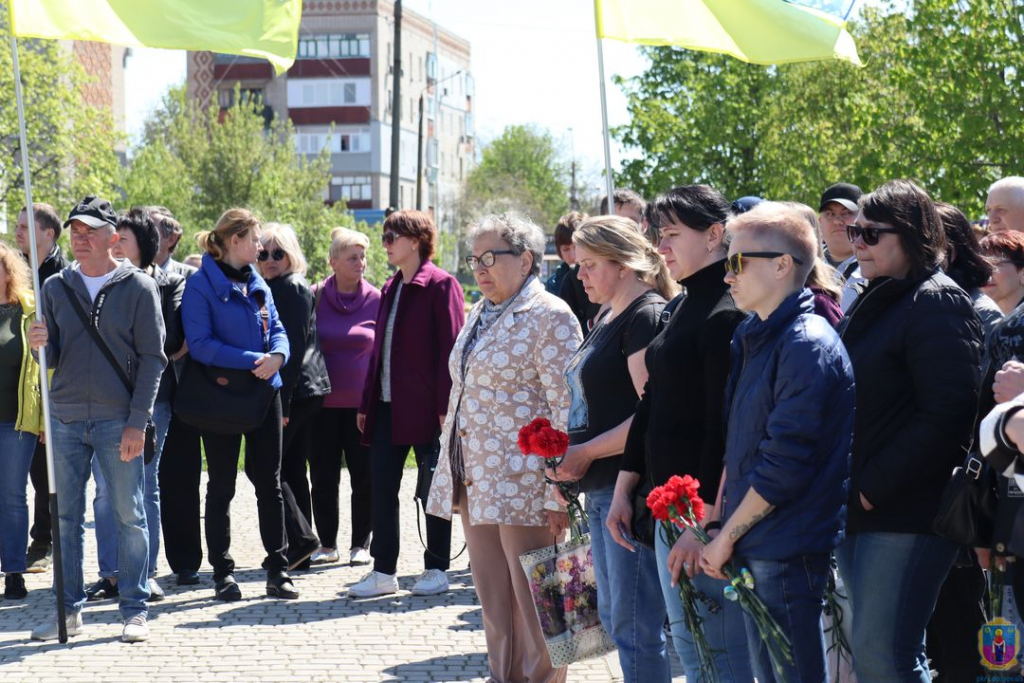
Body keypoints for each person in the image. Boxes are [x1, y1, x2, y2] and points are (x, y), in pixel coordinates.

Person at [697, 202, 855, 683]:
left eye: (737, 262)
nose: (727, 276)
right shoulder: (755, 333)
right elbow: (740, 444)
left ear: (783, 265)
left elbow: (784, 465)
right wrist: (722, 521)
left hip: (785, 545)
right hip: (758, 541)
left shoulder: (806, 344)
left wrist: (727, 535)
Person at [835, 180, 983, 683]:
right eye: (854, 232)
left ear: (914, 235)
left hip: (908, 510)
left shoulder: (937, 300)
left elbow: (949, 413)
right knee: (879, 654)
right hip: (864, 506)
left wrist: (875, 487)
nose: (856, 243)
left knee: (886, 656)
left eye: (870, 234)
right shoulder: (876, 297)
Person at [426, 212, 582, 683]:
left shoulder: (551, 315)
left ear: (527, 259)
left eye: (492, 257)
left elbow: (568, 409)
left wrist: (560, 494)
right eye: (475, 259)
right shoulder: (478, 312)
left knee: (543, 606)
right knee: (495, 605)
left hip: (529, 486)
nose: (480, 268)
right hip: (477, 480)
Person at [608, 184, 753, 682]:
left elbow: (723, 426)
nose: (660, 248)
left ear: (715, 234)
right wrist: (626, 487)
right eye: (657, 235)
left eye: (670, 234)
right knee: (691, 652)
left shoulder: (728, 312)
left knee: (719, 655)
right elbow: (652, 404)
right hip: (668, 505)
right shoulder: (682, 305)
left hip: (703, 514)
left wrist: (702, 522)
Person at [28, 196, 167, 642]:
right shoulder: (54, 288)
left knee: (129, 515)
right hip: (66, 418)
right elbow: (54, 358)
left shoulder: (140, 288)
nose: (81, 238)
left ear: (113, 238)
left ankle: (134, 609)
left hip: (117, 420)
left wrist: (136, 423)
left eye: (90, 231)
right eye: (75, 231)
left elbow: (153, 360)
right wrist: (38, 343)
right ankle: (67, 612)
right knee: (65, 518)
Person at [547, 215, 678, 681]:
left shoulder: (645, 317)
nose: (579, 276)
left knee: (634, 623)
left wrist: (585, 453)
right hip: (601, 485)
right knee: (616, 617)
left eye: (589, 265)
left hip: (631, 490)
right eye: (578, 265)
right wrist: (567, 461)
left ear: (624, 265)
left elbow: (651, 413)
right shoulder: (607, 316)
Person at [181, 208, 298, 602]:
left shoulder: (257, 281)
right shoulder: (201, 285)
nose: (262, 247)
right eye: (255, 239)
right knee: (221, 485)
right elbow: (200, 345)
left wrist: (277, 358)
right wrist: (254, 360)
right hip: (222, 396)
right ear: (235, 241)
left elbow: (278, 330)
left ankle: (278, 569)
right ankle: (222, 573)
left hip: (267, 392)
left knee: (270, 482)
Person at [350, 210, 465, 598]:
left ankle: (436, 568)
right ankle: (383, 571)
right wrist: (367, 402)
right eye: (384, 236)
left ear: (415, 240)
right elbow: (378, 352)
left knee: (433, 487)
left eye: (391, 236)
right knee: (381, 486)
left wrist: (445, 408)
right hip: (385, 407)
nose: (385, 243)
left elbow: (450, 350)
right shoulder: (390, 286)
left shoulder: (441, 285)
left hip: (428, 410)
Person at [85, 209, 185, 604]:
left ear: (143, 247)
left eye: (121, 241)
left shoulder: (168, 283)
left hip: (151, 400)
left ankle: (144, 572)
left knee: (143, 487)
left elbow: (170, 341)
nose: (114, 247)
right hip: (103, 402)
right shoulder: (97, 283)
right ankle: (111, 573)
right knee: (106, 490)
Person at [923, 201, 997, 683]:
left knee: (976, 638)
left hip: (973, 497)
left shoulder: (981, 313)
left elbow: (981, 414)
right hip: (940, 494)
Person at [257, 223, 328, 570]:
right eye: (262, 253)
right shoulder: (272, 287)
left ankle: (301, 539)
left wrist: (281, 404)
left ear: (291, 255)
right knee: (292, 469)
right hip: (297, 391)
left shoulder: (293, 286)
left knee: (266, 467)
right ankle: (299, 551)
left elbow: (294, 348)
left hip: (296, 392)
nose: (270, 260)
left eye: (278, 253)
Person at [309, 228, 381, 566]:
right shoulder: (315, 296)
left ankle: (360, 544)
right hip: (320, 405)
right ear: (333, 261)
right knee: (323, 476)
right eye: (352, 257)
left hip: (362, 408)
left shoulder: (377, 300)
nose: (361, 263)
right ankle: (326, 543)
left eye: (363, 256)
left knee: (364, 476)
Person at [150, 207, 205, 588]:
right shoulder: (125, 275)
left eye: (151, 229)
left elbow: (189, 337)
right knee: (147, 484)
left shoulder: (189, 278)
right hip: (142, 396)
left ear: (171, 237)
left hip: (183, 393)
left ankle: (186, 563)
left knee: (182, 480)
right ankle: (143, 566)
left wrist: (160, 354)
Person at [15, 202, 66, 574]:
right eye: (16, 226)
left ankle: (48, 540)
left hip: (56, 382)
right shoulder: (15, 270)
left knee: (50, 470)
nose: (17, 232)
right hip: (20, 382)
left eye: (24, 226)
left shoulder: (64, 275)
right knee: (31, 467)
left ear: (48, 233)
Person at [0, 242, 43, 600]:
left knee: (12, 496)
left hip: (16, 421)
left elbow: (46, 366)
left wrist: (44, 418)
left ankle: (14, 570)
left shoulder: (28, 308)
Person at [818, 182, 866, 311]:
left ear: (863, 218)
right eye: (830, 214)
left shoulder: (877, 268)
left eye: (846, 213)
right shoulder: (804, 268)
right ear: (820, 222)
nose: (838, 221)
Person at [545, 211, 586, 296]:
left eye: (576, 247)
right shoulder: (553, 284)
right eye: (566, 249)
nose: (573, 255)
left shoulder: (600, 277)